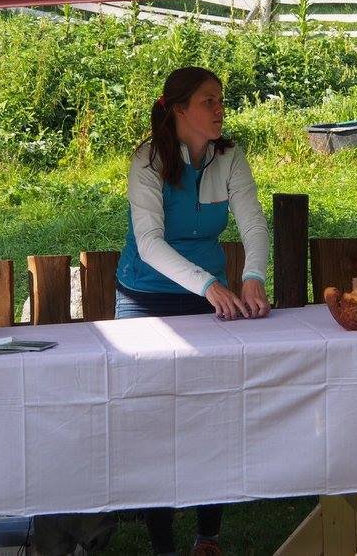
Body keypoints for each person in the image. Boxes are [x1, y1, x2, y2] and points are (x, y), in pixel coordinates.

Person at [115, 66, 270, 556]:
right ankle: (163, 544)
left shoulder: (230, 156)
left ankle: (208, 537)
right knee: (153, 421)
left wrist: (253, 276)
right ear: (179, 109)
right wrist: (209, 285)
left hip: (208, 296)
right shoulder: (147, 160)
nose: (220, 109)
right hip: (146, 297)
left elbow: (253, 224)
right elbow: (149, 243)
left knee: (212, 414)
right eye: (209, 101)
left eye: (221, 100)